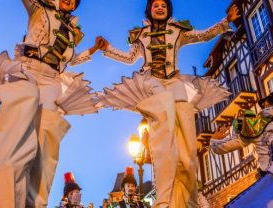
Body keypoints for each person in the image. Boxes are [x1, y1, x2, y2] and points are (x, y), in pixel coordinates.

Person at [99, 0, 240, 207]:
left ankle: (188, 200)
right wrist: (108, 48)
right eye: (155, 5)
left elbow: (202, 35)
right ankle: (164, 201)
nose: (160, 7)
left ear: (168, 11)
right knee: (164, 145)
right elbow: (130, 58)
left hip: (175, 85)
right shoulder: (140, 35)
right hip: (152, 85)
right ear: (150, 10)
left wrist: (224, 22)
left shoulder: (178, 31)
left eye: (163, 5)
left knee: (187, 150)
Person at [0, 0, 106, 207]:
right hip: (28, 71)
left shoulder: (73, 32)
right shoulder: (38, 8)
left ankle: (34, 203)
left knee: (45, 146)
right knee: (15, 136)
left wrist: (94, 50)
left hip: (52, 81)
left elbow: (71, 60)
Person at [210, 93, 273, 176]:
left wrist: (214, 139)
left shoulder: (257, 123)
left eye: (262, 104)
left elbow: (219, 147)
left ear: (266, 103)